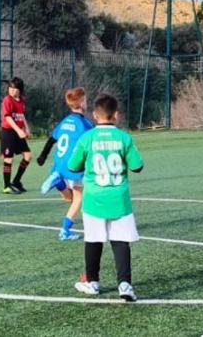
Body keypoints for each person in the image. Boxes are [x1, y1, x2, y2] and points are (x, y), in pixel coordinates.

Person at [67, 94, 144, 302]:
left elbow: (73, 166)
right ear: (116, 115)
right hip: (119, 199)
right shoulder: (124, 138)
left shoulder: (87, 138)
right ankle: (125, 284)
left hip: (94, 199)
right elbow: (137, 166)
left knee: (93, 240)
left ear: (94, 115)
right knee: (120, 242)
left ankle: (92, 282)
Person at [37, 87, 93, 241]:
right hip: (73, 166)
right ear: (81, 103)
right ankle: (65, 230)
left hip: (59, 165)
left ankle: (59, 183)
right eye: (86, 99)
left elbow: (51, 139)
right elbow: (93, 144)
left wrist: (42, 156)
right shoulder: (85, 125)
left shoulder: (64, 121)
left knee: (69, 199)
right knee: (79, 197)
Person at [0, 77, 32, 194]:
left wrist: (26, 128)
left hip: (18, 131)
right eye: (10, 88)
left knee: (28, 156)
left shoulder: (21, 101)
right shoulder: (7, 100)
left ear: (20, 90)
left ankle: (16, 181)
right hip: (8, 132)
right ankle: (6, 186)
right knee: (8, 158)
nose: (12, 91)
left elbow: (21, 115)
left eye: (14, 88)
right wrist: (18, 130)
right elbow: (7, 117)